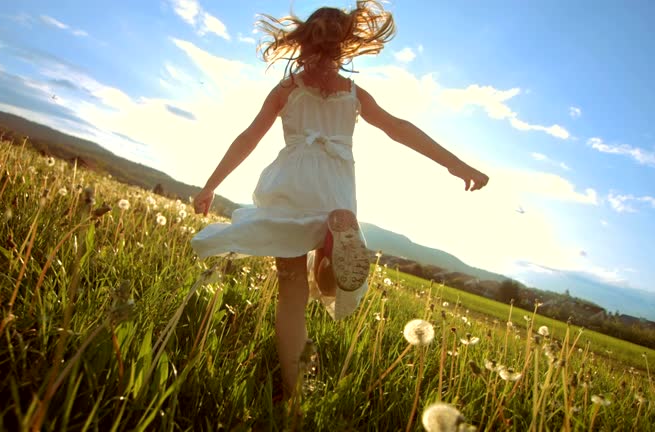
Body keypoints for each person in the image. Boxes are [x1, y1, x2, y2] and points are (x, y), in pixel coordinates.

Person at [191, 0, 489, 399]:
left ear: (300, 42)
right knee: (322, 276)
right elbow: (399, 129)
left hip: (292, 183)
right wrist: (456, 165)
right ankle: (330, 258)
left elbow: (248, 137)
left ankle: (294, 390)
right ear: (345, 46)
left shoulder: (287, 88)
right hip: (336, 191)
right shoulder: (353, 92)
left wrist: (211, 183)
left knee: (290, 288)